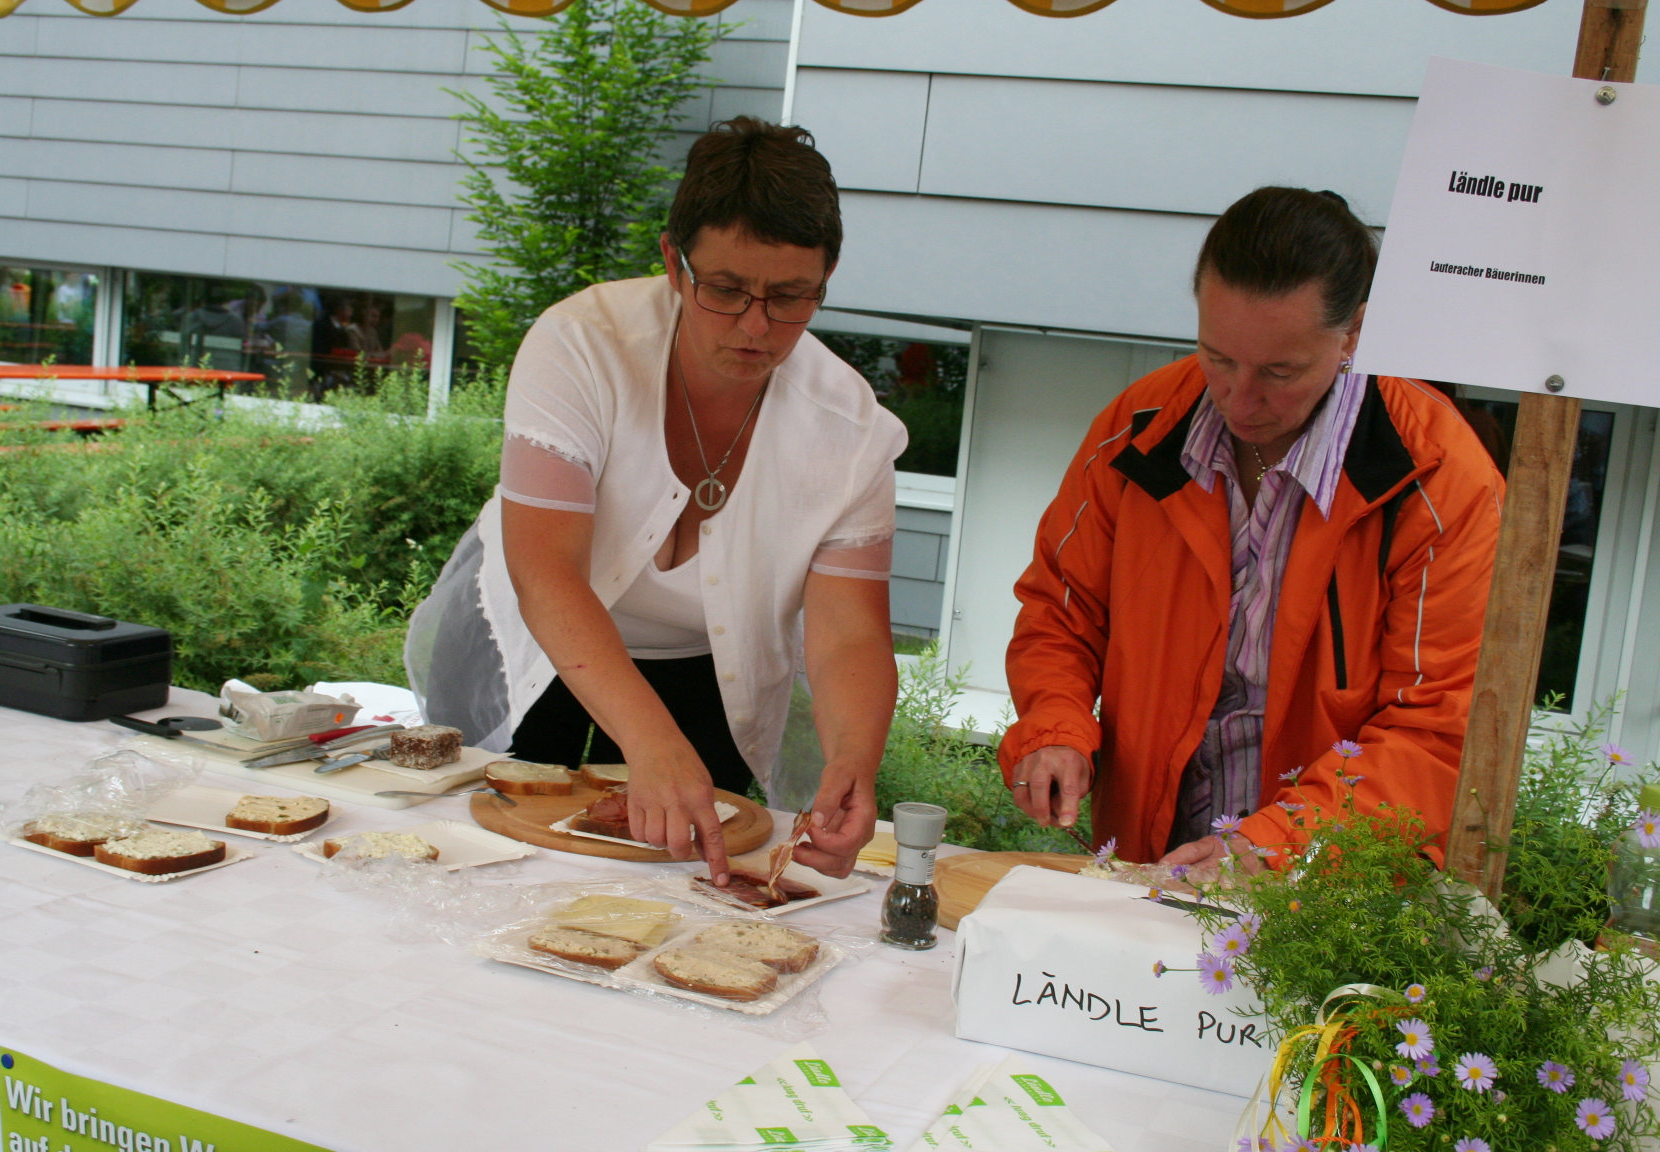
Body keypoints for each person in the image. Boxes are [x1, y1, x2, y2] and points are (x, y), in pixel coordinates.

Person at [406, 117, 906, 885]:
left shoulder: (852, 431)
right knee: (490, 865)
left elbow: (848, 636)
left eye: (790, 296)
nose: (756, 326)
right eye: (727, 290)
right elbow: (546, 571)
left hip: (705, 665)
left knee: (684, 885)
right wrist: (649, 738)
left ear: (826, 278)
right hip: (538, 639)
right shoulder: (579, 344)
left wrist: (853, 762)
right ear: (674, 262)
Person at [999, 186, 1504, 874]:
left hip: (1328, 888)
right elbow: (1061, 613)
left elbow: (1439, 729)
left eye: (1279, 371)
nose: (1240, 399)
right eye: (1218, 357)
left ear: (1354, 333)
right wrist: (1056, 727)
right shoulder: (1137, 430)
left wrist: (1274, 846)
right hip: (1147, 859)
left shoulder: (1440, 480)